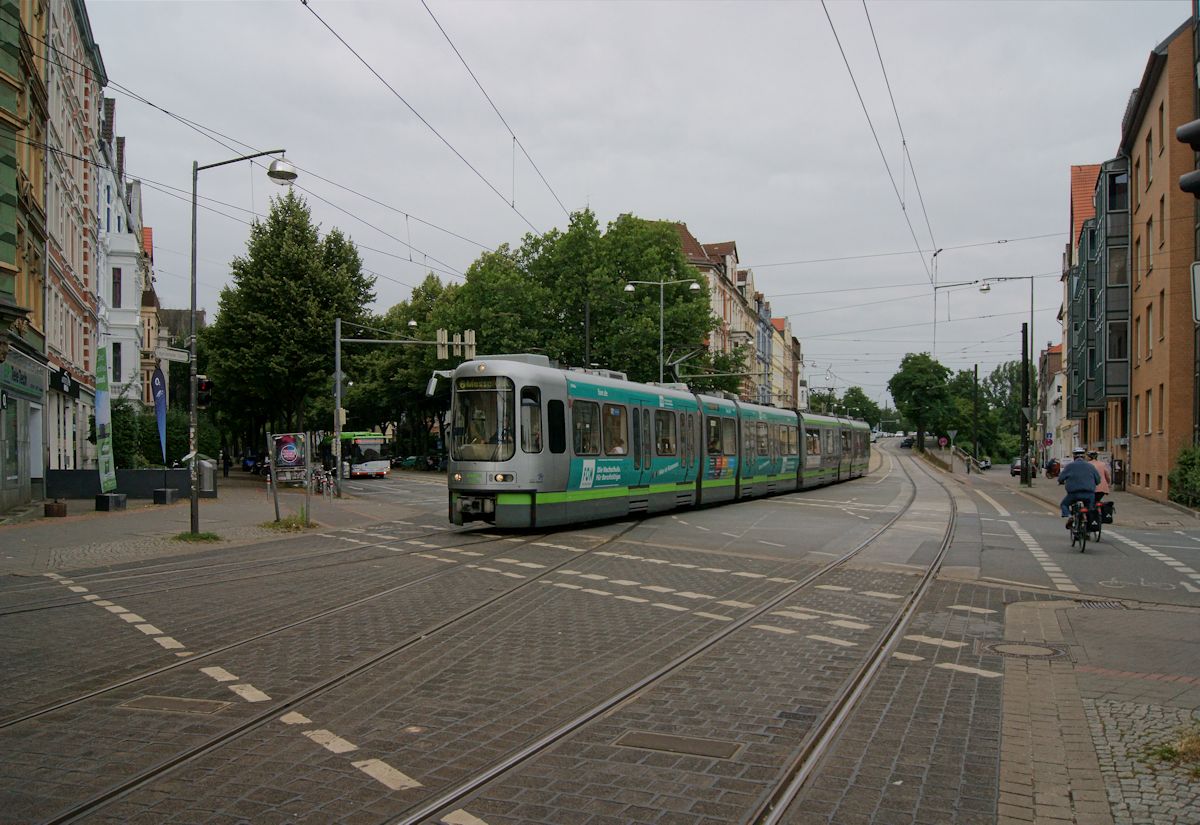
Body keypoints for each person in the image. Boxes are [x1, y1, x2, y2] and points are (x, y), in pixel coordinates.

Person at [1058, 447, 1100, 525]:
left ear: (1074, 456)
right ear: (1084, 456)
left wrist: (1061, 481)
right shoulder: (1091, 466)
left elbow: (1061, 478)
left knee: (1064, 504)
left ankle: (1069, 516)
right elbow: (1098, 480)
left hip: (1074, 494)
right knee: (1090, 509)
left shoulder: (1069, 466)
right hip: (1089, 494)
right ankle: (1089, 526)